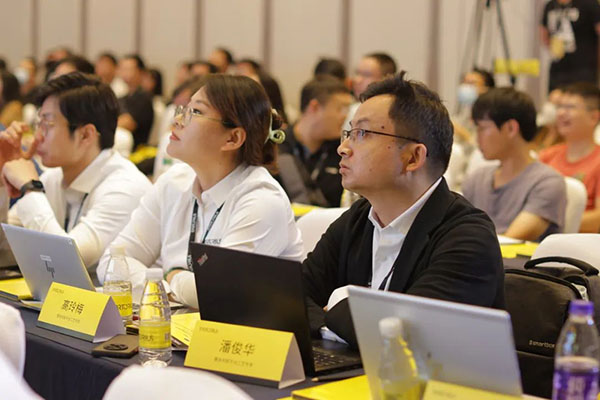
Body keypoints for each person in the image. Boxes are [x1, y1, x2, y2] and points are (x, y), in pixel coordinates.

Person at [302, 71, 504, 346]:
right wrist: (340, 323)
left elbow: (407, 336)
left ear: (413, 157)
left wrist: (338, 301)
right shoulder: (358, 219)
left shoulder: (468, 238)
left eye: (362, 133)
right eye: (349, 133)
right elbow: (292, 298)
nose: (343, 148)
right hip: (347, 369)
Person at [98, 74, 303, 307]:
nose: (177, 120)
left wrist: (170, 277)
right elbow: (113, 264)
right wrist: (169, 286)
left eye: (195, 112)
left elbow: (220, 293)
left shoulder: (261, 200)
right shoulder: (173, 182)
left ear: (233, 138)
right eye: (183, 109)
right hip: (178, 324)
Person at [0, 72, 151, 267]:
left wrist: (30, 188)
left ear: (86, 135)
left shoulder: (125, 188)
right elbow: (5, 253)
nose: (37, 137)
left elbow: (67, 263)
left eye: (47, 125)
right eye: (38, 125)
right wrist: (2, 178)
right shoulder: (53, 178)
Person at [462, 87, 567, 241]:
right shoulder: (477, 178)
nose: (477, 137)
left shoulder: (547, 183)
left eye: (482, 128)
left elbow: (510, 241)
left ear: (511, 128)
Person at [277, 76, 353, 207]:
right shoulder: (276, 147)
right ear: (315, 107)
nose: (345, 116)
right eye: (341, 108)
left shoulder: (343, 151)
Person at [540, 82, 600, 232]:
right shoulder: (547, 155)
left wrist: (546, 222)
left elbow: (598, 218)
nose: (561, 113)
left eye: (570, 107)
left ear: (594, 117)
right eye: (559, 107)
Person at [541, 0, 600, 91]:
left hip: (584, 68)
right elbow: (544, 33)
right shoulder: (550, 5)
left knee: (581, 96)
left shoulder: (589, 3)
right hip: (557, 68)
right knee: (556, 96)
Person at [117, 54, 154, 149]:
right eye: (122, 68)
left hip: (136, 150)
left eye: (128, 69)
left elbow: (127, 124)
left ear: (140, 72)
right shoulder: (122, 97)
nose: (124, 72)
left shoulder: (144, 97)